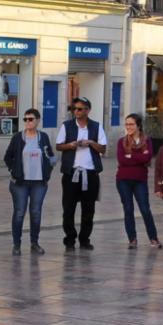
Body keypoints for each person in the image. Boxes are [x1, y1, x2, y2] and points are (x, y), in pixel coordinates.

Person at [56, 97, 106, 250]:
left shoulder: (96, 126)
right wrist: (71, 145)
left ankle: (84, 239)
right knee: (68, 208)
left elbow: (103, 148)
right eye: (74, 109)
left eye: (79, 109)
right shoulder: (67, 126)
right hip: (71, 172)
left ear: (87, 110)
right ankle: (70, 239)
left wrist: (90, 142)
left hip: (90, 173)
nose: (76, 112)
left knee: (88, 209)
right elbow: (58, 146)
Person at [3, 108, 54, 255]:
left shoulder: (43, 137)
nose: (27, 122)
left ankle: (34, 243)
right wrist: (14, 170)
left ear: (37, 121)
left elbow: (50, 156)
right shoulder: (18, 137)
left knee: (36, 212)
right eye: (25, 119)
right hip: (20, 183)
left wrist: (47, 172)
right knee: (19, 212)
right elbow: (7, 157)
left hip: (39, 183)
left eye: (30, 119)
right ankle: (17, 244)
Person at [116, 114, 161, 249]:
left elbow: (147, 158)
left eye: (131, 124)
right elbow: (122, 160)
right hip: (123, 180)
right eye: (127, 124)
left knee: (145, 209)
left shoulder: (147, 140)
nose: (128, 127)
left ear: (138, 125)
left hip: (140, 180)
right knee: (128, 209)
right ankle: (132, 239)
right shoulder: (121, 141)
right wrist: (139, 157)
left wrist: (130, 156)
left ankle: (153, 238)